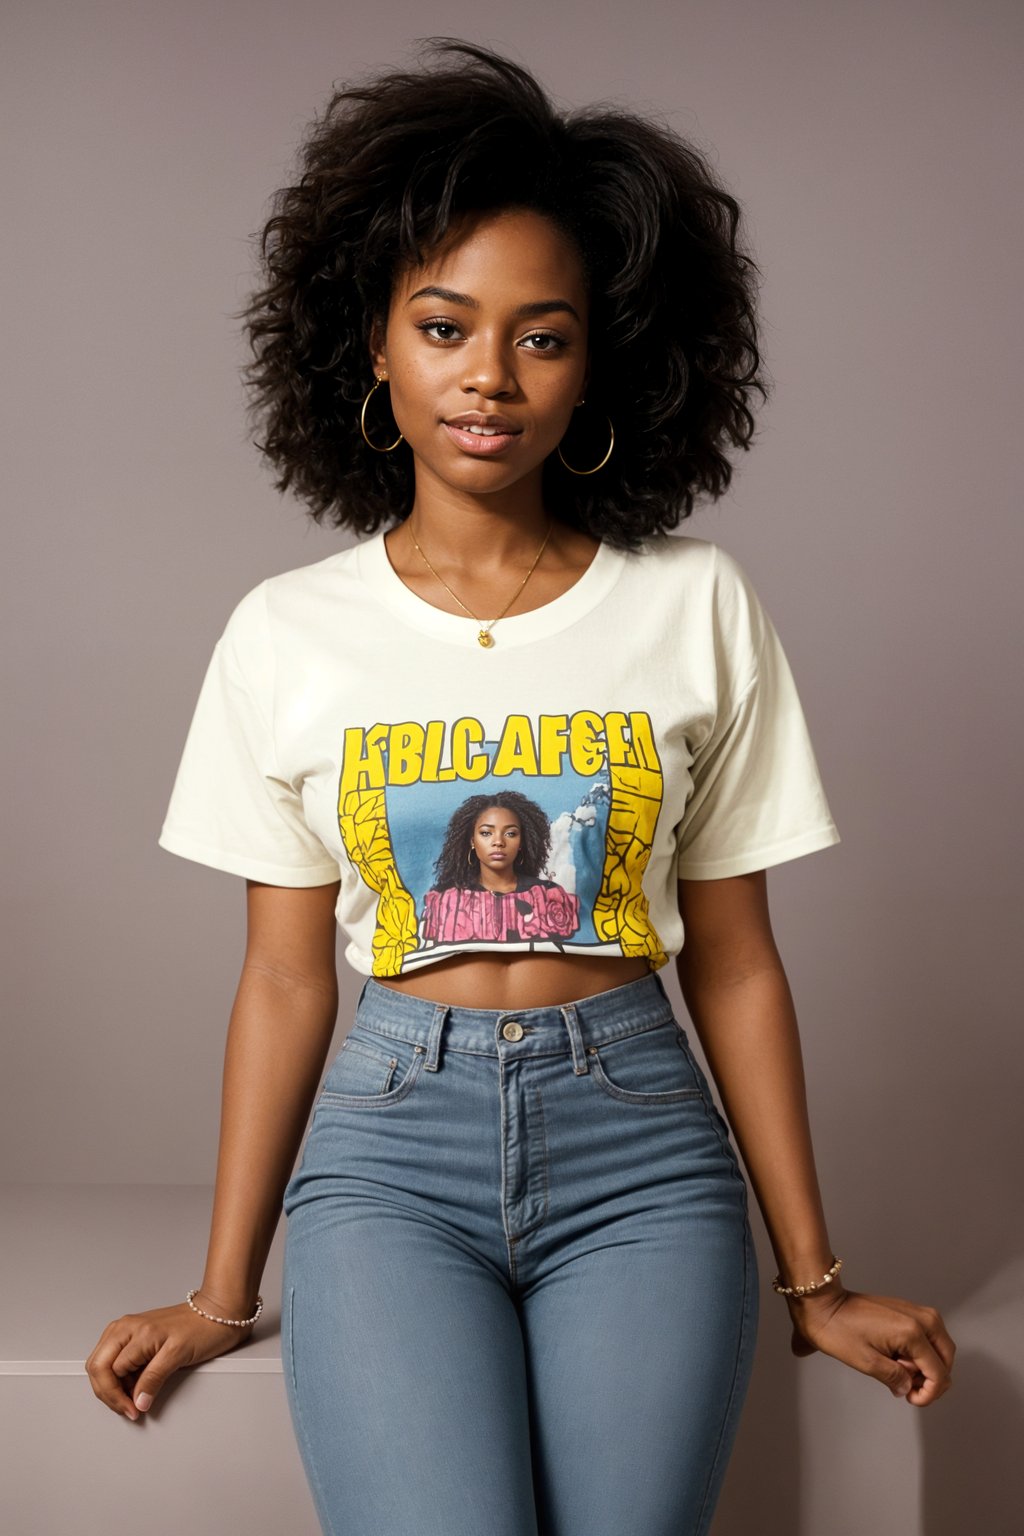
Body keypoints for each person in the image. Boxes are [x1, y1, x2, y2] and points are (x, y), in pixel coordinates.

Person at [85, 38, 955, 1536]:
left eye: (541, 337)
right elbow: (286, 984)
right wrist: (222, 1292)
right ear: (371, 345)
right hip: (388, 1159)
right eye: (443, 326)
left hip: (643, 1155)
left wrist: (815, 1283)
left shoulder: (694, 604)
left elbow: (738, 964)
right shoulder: (286, 632)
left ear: (603, 358)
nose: (488, 377)